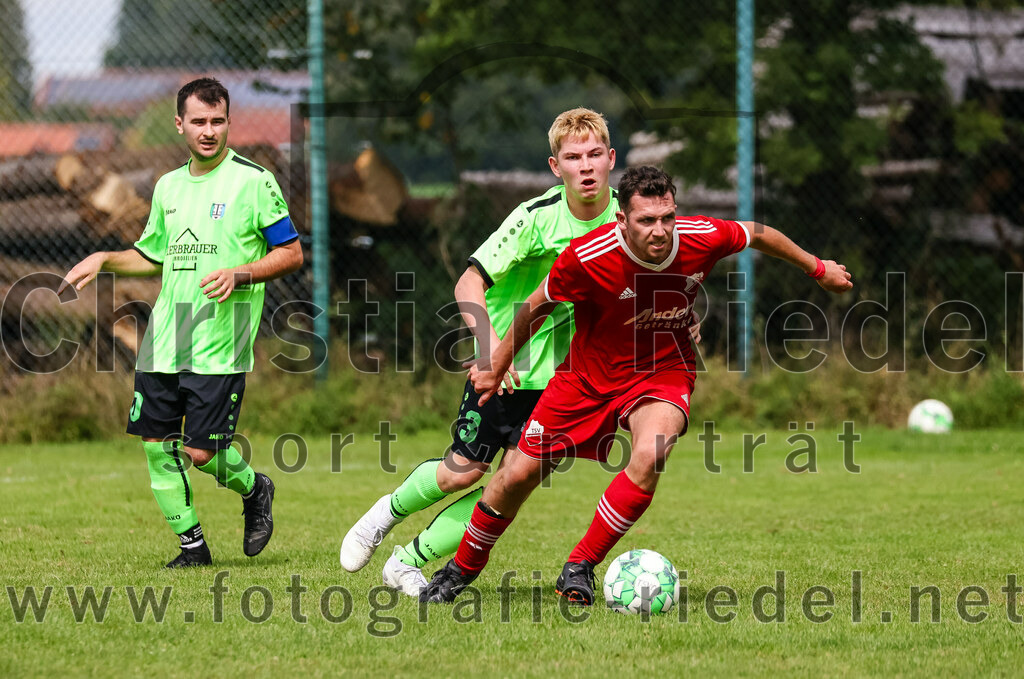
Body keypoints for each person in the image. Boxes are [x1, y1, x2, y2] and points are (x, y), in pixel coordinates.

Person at [420, 165, 853, 604]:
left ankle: (580, 566)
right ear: (622, 221)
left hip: (663, 372)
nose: (661, 230)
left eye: (667, 216)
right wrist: (498, 363)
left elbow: (757, 233)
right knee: (517, 475)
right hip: (586, 377)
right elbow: (536, 306)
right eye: (647, 220)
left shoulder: (701, 236)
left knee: (652, 451)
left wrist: (817, 268)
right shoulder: (587, 256)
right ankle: (461, 570)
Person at [339, 108, 622, 596]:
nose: (587, 166)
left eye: (595, 154)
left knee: (511, 483)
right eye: (573, 157)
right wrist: (491, 349)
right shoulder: (536, 220)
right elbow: (468, 280)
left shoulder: (628, 220)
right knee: (461, 471)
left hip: (570, 380)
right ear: (556, 168)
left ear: (611, 158)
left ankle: (408, 559)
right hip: (508, 370)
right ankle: (384, 515)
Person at [59, 77, 303, 568]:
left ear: (229, 122)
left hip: (221, 341)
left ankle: (256, 489)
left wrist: (242, 272)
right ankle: (193, 549)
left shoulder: (254, 181)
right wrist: (105, 257)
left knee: (203, 454)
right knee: (156, 446)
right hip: (168, 337)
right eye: (198, 121)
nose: (208, 131)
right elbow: (152, 256)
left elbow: (292, 253)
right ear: (180, 125)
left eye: (217, 121)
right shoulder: (168, 187)